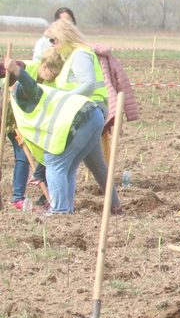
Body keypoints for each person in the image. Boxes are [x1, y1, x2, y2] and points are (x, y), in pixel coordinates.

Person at [3, 55, 108, 215]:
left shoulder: (19, 90)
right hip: (92, 113)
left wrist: (16, 70)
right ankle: (66, 210)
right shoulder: (30, 89)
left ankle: (59, 211)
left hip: (76, 119)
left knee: (56, 163)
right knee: (68, 168)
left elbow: (30, 85)